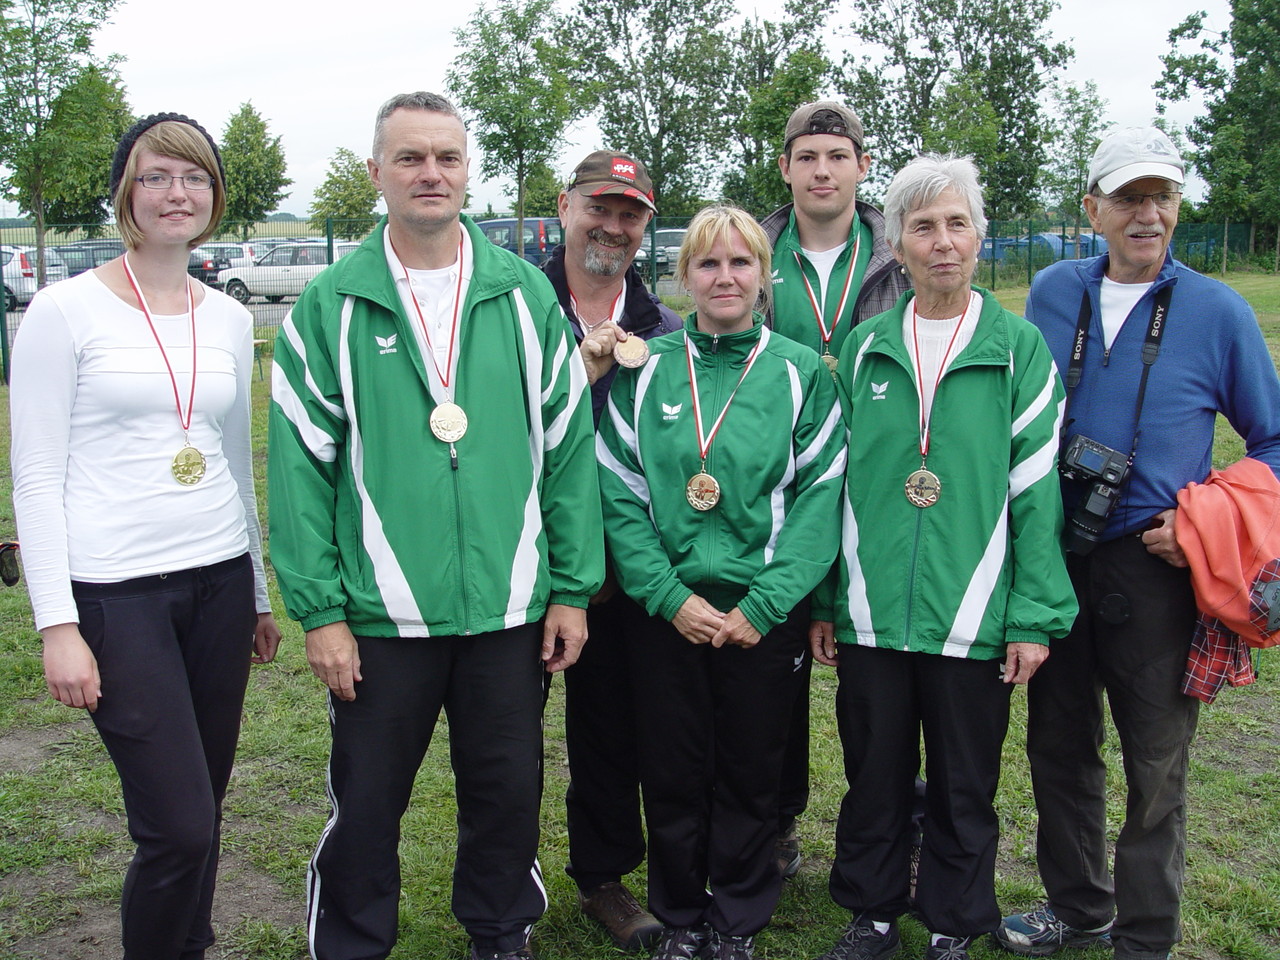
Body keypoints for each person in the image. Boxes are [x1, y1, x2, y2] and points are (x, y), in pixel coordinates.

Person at [268, 92, 603, 960]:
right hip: (379, 617)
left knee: (505, 791)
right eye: (410, 158)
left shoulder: (525, 294)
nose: (430, 173)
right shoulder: (330, 305)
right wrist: (323, 611)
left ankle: (500, 933)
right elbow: (301, 470)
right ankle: (349, 942)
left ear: (467, 170)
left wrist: (570, 589)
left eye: (447, 158)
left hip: (508, 608)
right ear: (376, 172)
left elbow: (566, 451)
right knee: (368, 802)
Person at [994, 127, 1280, 960]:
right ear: (1093, 210)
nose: (1145, 213)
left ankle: (1146, 938)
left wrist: (1203, 525)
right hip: (1051, 556)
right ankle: (1079, 907)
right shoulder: (1050, 292)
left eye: (1161, 197)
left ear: (1178, 209)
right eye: (1127, 197)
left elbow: (1271, 443)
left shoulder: (1218, 311)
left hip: (1155, 568)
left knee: (1156, 766)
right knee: (1056, 741)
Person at [9, 112, 281, 960]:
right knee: (179, 828)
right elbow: (36, 476)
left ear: (214, 195)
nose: (177, 192)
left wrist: (258, 594)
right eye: (158, 175)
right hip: (115, 596)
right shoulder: (62, 311)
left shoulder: (229, 317)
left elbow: (236, 464)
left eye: (194, 176)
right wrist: (59, 626)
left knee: (205, 802)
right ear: (126, 189)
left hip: (217, 587)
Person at [809, 154, 1077, 960]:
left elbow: (1035, 496)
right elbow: (831, 490)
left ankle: (957, 920)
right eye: (923, 226)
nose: (943, 242)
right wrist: (828, 602)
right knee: (874, 775)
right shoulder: (862, 350)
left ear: (980, 238)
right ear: (896, 243)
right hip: (872, 616)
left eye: (957, 223)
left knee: (967, 784)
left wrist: (1031, 616)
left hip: (975, 615)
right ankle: (875, 912)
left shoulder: (1018, 349)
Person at [596, 204, 845, 960]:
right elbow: (619, 493)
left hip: (760, 613)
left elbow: (820, 499)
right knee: (670, 762)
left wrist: (765, 606)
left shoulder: (800, 372)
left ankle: (736, 911)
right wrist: (670, 597)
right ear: (684, 276)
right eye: (708, 264)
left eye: (741, 263)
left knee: (750, 763)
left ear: (764, 277)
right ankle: (677, 909)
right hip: (665, 608)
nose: (725, 277)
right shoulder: (649, 370)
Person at [761, 100, 912, 875]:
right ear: (784, 166)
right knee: (775, 674)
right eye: (807, 155)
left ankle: (894, 833)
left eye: (838, 155)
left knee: (878, 682)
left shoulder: (902, 250)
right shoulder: (752, 252)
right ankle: (778, 822)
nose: (823, 169)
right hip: (778, 500)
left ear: (861, 165)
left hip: (885, 492)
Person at [543, 149, 680, 952]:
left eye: (631, 214)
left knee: (619, 722)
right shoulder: (518, 305)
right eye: (601, 206)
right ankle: (510, 882)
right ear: (564, 208)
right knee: (510, 735)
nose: (614, 225)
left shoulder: (661, 328)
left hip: (629, 564)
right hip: (532, 559)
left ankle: (612, 876)